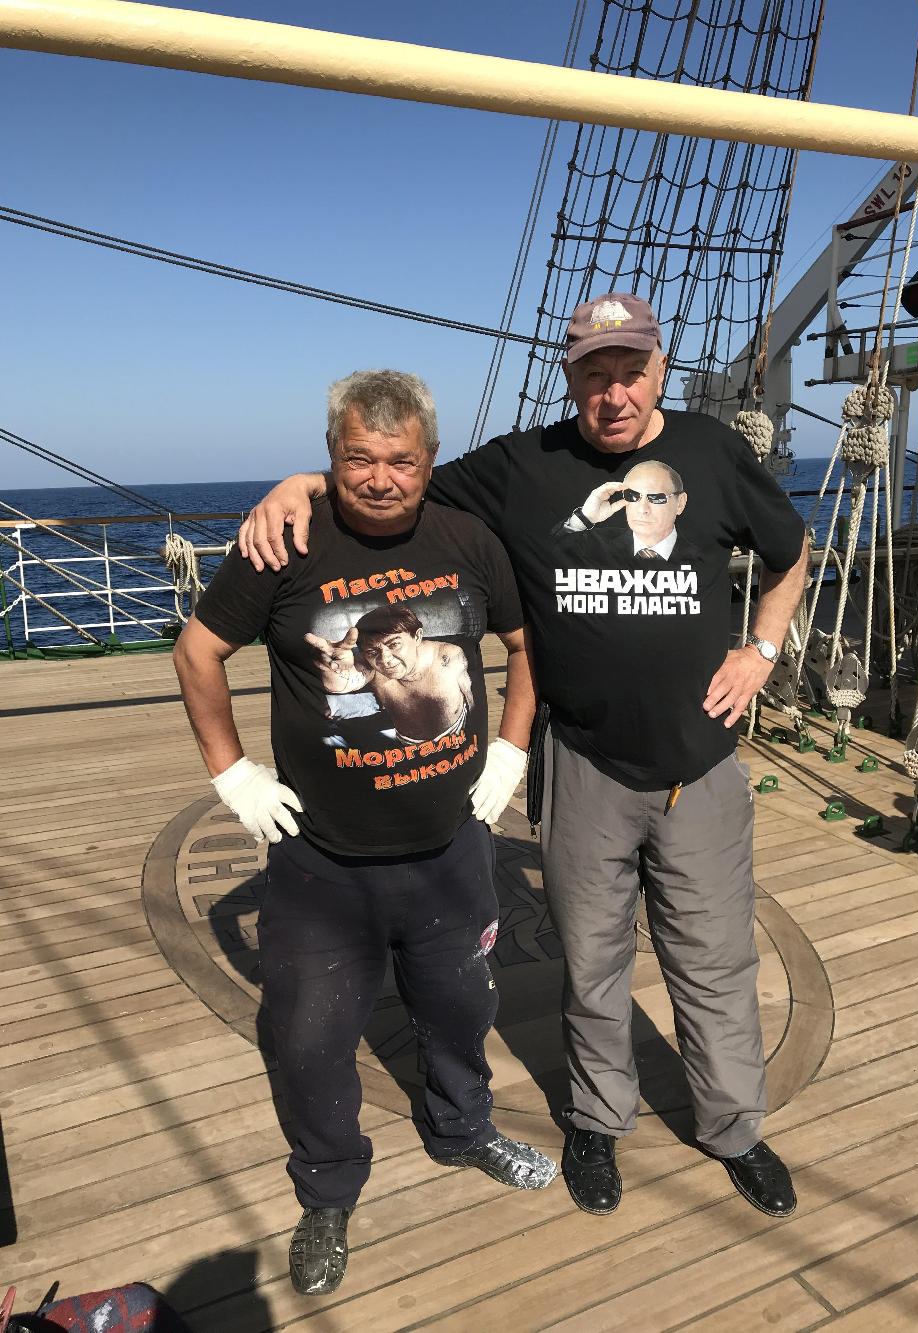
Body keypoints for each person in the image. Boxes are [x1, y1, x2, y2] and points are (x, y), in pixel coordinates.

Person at [237, 293, 809, 1221]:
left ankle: (734, 1128)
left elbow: (789, 551)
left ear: (660, 369)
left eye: (631, 371)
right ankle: (597, 1120)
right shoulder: (522, 465)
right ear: (571, 377)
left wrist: (763, 651)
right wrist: (303, 483)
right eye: (595, 373)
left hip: (698, 767)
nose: (614, 393)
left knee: (714, 963)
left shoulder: (713, 450)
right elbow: (396, 479)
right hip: (582, 761)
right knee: (591, 961)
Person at [172, 369, 557, 1298]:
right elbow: (198, 650)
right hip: (323, 864)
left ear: (429, 460)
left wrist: (511, 748)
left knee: (463, 1010)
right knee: (309, 1039)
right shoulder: (286, 542)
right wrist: (231, 772)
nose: (381, 478)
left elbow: (524, 644)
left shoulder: (469, 537)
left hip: (452, 849)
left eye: (401, 460)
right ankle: (328, 1188)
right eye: (358, 459)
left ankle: (464, 1128)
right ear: (330, 457)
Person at [305, 604, 474, 743]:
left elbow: (467, 691)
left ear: (417, 636)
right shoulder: (371, 667)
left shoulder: (447, 656)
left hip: (457, 731)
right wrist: (335, 671)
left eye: (394, 645)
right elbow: (344, 682)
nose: (385, 660)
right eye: (372, 651)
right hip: (407, 742)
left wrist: (472, 727)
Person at [554, 458, 700, 567]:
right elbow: (546, 556)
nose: (643, 509)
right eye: (633, 496)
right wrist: (585, 518)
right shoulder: (596, 546)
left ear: (680, 503)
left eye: (656, 498)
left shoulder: (703, 556)